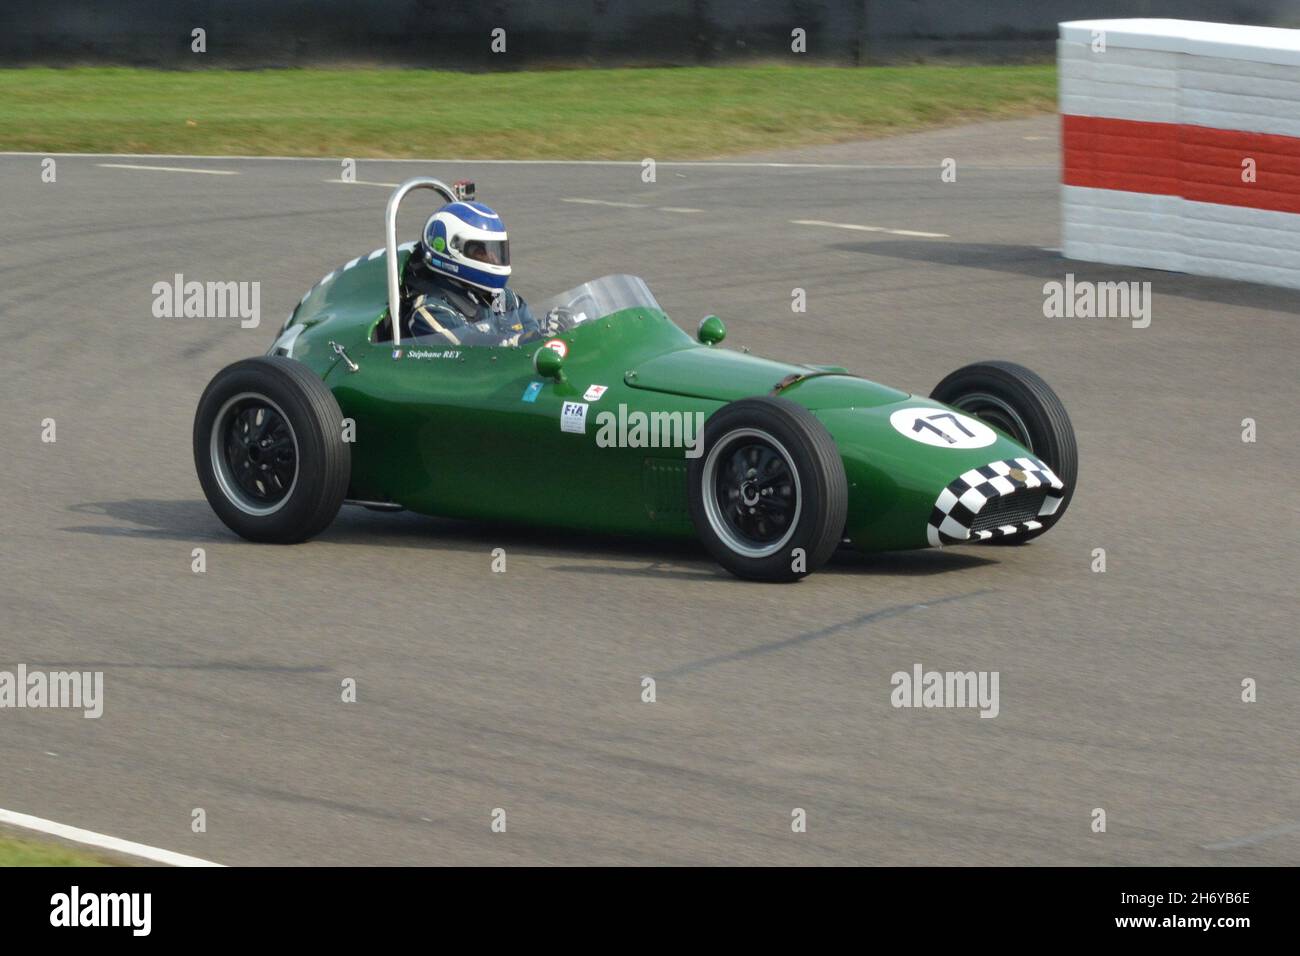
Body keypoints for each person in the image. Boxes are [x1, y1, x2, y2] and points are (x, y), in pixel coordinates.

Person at [403, 200, 555, 347]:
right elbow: (471, 351)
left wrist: (553, 329)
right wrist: (525, 340)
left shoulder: (502, 298)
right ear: (452, 250)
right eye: (481, 251)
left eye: (496, 250)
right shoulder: (431, 311)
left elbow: (533, 339)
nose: (494, 258)